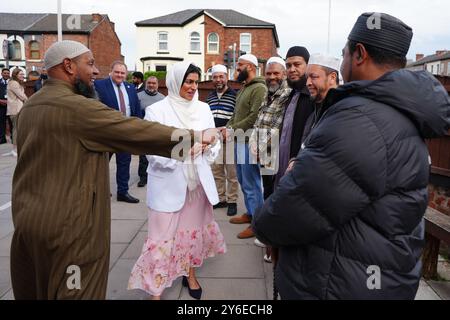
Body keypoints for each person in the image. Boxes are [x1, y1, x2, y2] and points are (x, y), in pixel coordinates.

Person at [253, 13, 450, 299]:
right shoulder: (393, 111)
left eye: (344, 53)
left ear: (359, 54)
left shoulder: (362, 118)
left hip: (341, 282)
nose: (342, 60)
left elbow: (303, 203)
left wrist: (264, 226)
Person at [10, 40, 218, 300]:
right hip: (69, 229)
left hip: (28, 223)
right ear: (68, 66)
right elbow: (137, 131)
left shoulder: (30, 106)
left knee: (39, 289)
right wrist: (195, 136)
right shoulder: (79, 108)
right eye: (90, 63)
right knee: (77, 290)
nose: (96, 71)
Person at [128, 62, 226, 300]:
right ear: (175, 82)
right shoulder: (156, 111)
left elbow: (214, 143)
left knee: (191, 235)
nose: (193, 87)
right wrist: (189, 150)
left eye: (195, 82)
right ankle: (156, 290)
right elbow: (152, 154)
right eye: (188, 82)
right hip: (167, 186)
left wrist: (210, 146)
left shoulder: (203, 109)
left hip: (196, 188)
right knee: (160, 241)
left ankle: (190, 274)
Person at [249, 56, 291, 261]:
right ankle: (268, 236)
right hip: (265, 153)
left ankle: (273, 242)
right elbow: (259, 120)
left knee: (276, 196)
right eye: (269, 73)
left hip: (277, 153)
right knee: (267, 192)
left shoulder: (288, 95)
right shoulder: (268, 94)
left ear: (283, 74)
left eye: (276, 73)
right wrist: (255, 144)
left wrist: (262, 145)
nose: (272, 77)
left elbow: (279, 127)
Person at [224, 54, 267, 239]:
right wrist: (228, 128)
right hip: (239, 140)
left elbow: (254, 117)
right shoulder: (244, 88)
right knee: (243, 180)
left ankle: (257, 223)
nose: (236, 69)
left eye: (239, 65)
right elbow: (236, 113)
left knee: (252, 184)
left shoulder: (259, 88)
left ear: (250, 67)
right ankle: (250, 213)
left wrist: (231, 128)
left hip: (250, 142)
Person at [95, 61, 142, 203]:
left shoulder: (130, 88)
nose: (119, 75)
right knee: (101, 165)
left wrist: (137, 128)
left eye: (122, 73)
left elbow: (136, 109)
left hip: (125, 134)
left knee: (124, 163)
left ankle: (123, 192)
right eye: (117, 72)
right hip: (107, 134)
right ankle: (100, 191)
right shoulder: (99, 85)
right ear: (111, 71)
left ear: (126, 74)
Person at [206, 64, 238, 216]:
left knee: (232, 173)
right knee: (217, 171)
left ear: (227, 78)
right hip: (215, 140)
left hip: (230, 138)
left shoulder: (235, 95)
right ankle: (221, 198)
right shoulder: (210, 97)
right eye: (215, 77)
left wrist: (227, 128)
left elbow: (237, 116)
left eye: (221, 76)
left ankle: (232, 201)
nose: (218, 80)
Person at [301, 53, 340, 143]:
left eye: (314, 77)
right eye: (307, 77)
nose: (308, 83)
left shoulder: (341, 112)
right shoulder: (314, 112)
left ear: (332, 78)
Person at [136, 76, 165, 187]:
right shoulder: (138, 96)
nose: (151, 85)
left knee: (157, 155)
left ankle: (156, 175)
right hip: (143, 131)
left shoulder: (163, 98)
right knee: (143, 156)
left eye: (154, 83)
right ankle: (143, 178)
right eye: (149, 83)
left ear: (157, 85)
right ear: (145, 83)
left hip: (157, 131)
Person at [7, 68, 28, 157]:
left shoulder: (16, 83)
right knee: (16, 129)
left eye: (23, 74)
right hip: (15, 110)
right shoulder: (14, 83)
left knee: (17, 129)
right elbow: (21, 96)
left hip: (18, 109)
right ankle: (14, 149)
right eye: (20, 74)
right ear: (15, 75)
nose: (22, 76)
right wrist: (30, 101)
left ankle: (17, 148)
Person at [0, 68, 10, 144]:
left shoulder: (12, 83)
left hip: (10, 106)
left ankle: (13, 138)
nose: (6, 74)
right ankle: (2, 138)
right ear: (1, 74)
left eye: (7, 73)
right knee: (1, 122)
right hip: (1, 106)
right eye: (5, 73)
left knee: (11, 122)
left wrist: (9, 101)